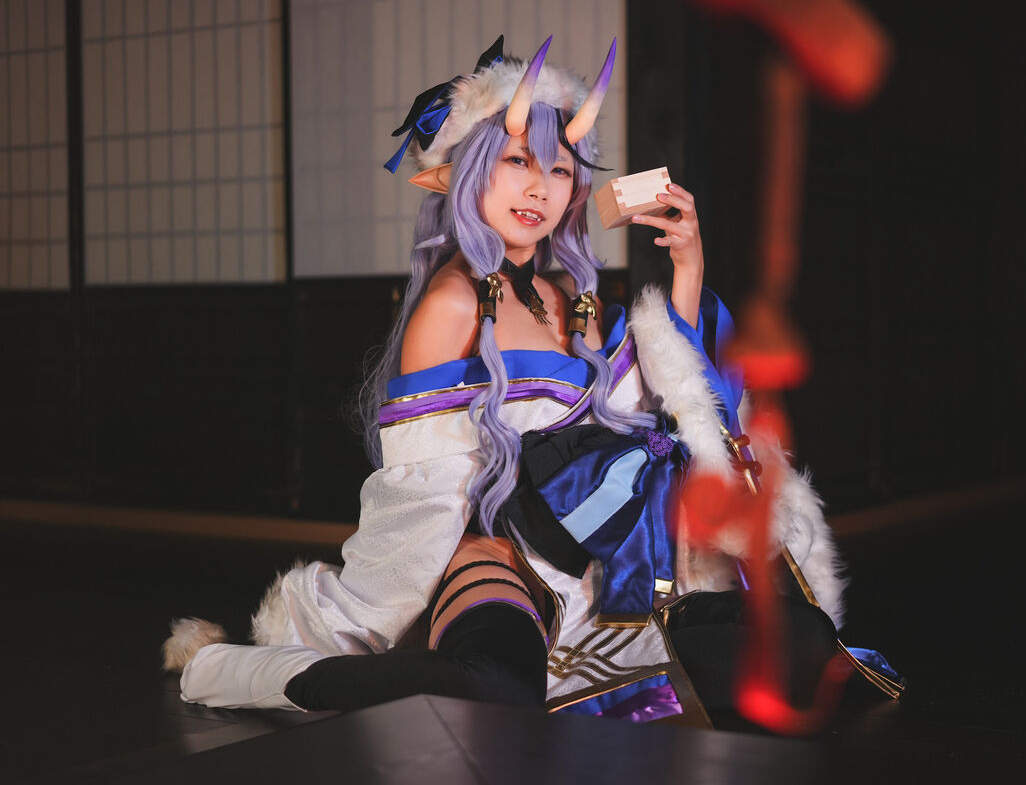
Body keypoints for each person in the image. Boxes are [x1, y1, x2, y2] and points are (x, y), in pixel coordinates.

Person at [164, 36, 849, 728]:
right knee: (495, 689)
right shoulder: (450, 305)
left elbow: (684, 410)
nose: (539, 188)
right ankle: (233, 670)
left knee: (802, 642)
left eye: (560, 169)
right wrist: (386, 603)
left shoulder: (571, 299)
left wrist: (689, 270)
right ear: (467, 170)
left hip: (602, 569)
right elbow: (425, 490)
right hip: (492, 555)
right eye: (517, 160)